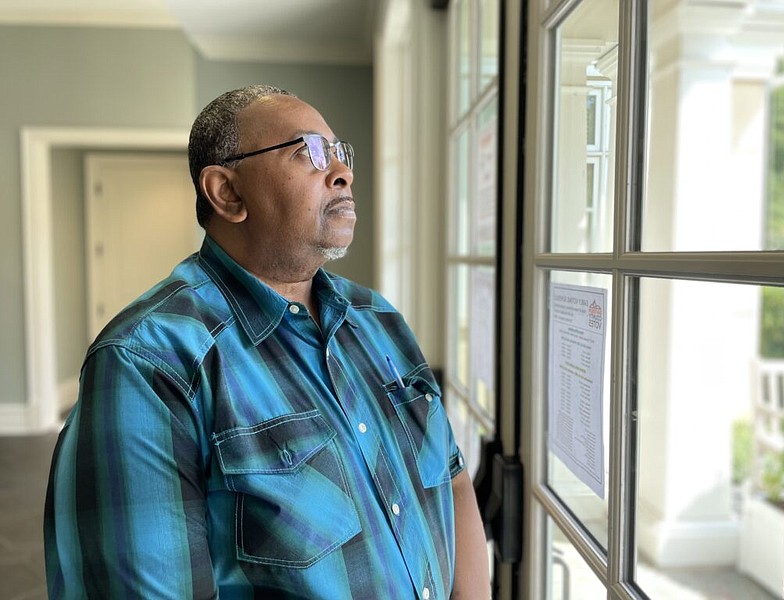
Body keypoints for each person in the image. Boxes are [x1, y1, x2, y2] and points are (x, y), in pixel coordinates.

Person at [44, 85, 491, 599]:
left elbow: (451, 484)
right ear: (228, 193)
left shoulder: (378, 320)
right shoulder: (148, 362)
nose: (342, 172)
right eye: (309, 154)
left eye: (340, 152)